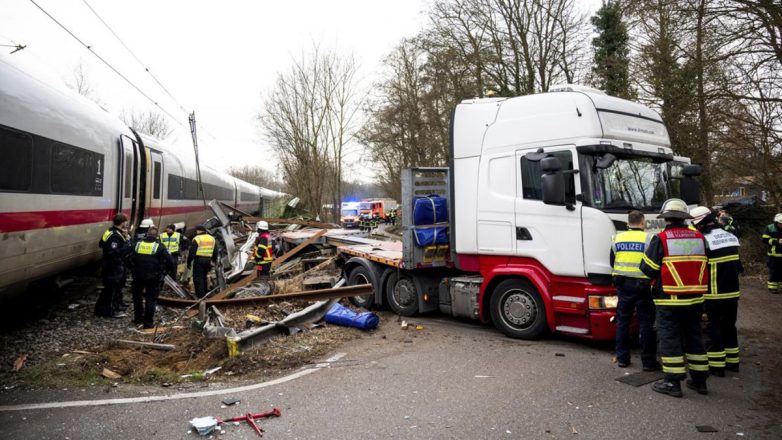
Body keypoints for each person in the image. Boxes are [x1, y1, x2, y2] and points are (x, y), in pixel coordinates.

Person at [640, 198, 710, 398]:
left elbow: (648, 269)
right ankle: (699, 381)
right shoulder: (699, 237)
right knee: (694, 338)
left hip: (669, 300)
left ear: (667, 218)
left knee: (670, 339)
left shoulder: (661, 239)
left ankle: (672, 382)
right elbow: (707, 260)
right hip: (696, 299)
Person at [690, 206, 742, 376]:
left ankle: (717, 366)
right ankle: (733, 362)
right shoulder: (730, 236)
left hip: (714, 293)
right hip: (733, 292)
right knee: (729, 326)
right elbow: (739, 267)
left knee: (714, 328)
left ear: (701, 224)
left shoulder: (704, 240)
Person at [610, 210, 659, 371]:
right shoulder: (649, 238)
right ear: (642, 222)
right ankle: (648, 362)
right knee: (646, 324)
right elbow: (654, 264)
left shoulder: (617, 238)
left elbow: (613, 260)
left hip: (622, 286)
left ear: (628, 223)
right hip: (643, 287)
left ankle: (623, 358)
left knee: (623, 322)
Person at [129, 227, 174, 328]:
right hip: (153, 277)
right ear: (157, 235)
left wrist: (131, 267)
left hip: (137, 275)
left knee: (137, 297)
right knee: (151, 299)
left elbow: (125, 254)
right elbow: (171, 261)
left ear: (147, 234)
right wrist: (165, 271)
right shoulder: (160, 247)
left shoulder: (137, 244)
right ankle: (148, 323)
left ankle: (138, 318)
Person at [95, 213, 132, 318]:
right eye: (126, 221)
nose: (127, 223)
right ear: (123, 222)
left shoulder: (110, 231)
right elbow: (113, 252)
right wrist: (127, 247)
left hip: (110, 264)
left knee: (111, 288)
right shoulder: (115, 236)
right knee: (111, 289)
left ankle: (103, 309)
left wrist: (126, 237)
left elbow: (101, 243)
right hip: (112, 265)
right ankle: (109, 312)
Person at [188, 224, 216, 298]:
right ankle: (205, 292)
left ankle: (200, 296)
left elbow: (192, 252)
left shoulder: (197, 238)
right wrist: (213, 260)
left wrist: (189, 262)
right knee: (204, 276)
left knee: (198, 278)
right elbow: (215, 251)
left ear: (199, 230)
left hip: (199, 260)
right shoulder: (212, 238)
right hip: (208, 260)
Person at [761, 214, 782, 294]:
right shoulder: (770, 228)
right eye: (780, 223)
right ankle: (773, 287)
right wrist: (776, 242)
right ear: (776, 222)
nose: (781, 225)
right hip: (773, 255)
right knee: (774, 271)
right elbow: (764, 240)